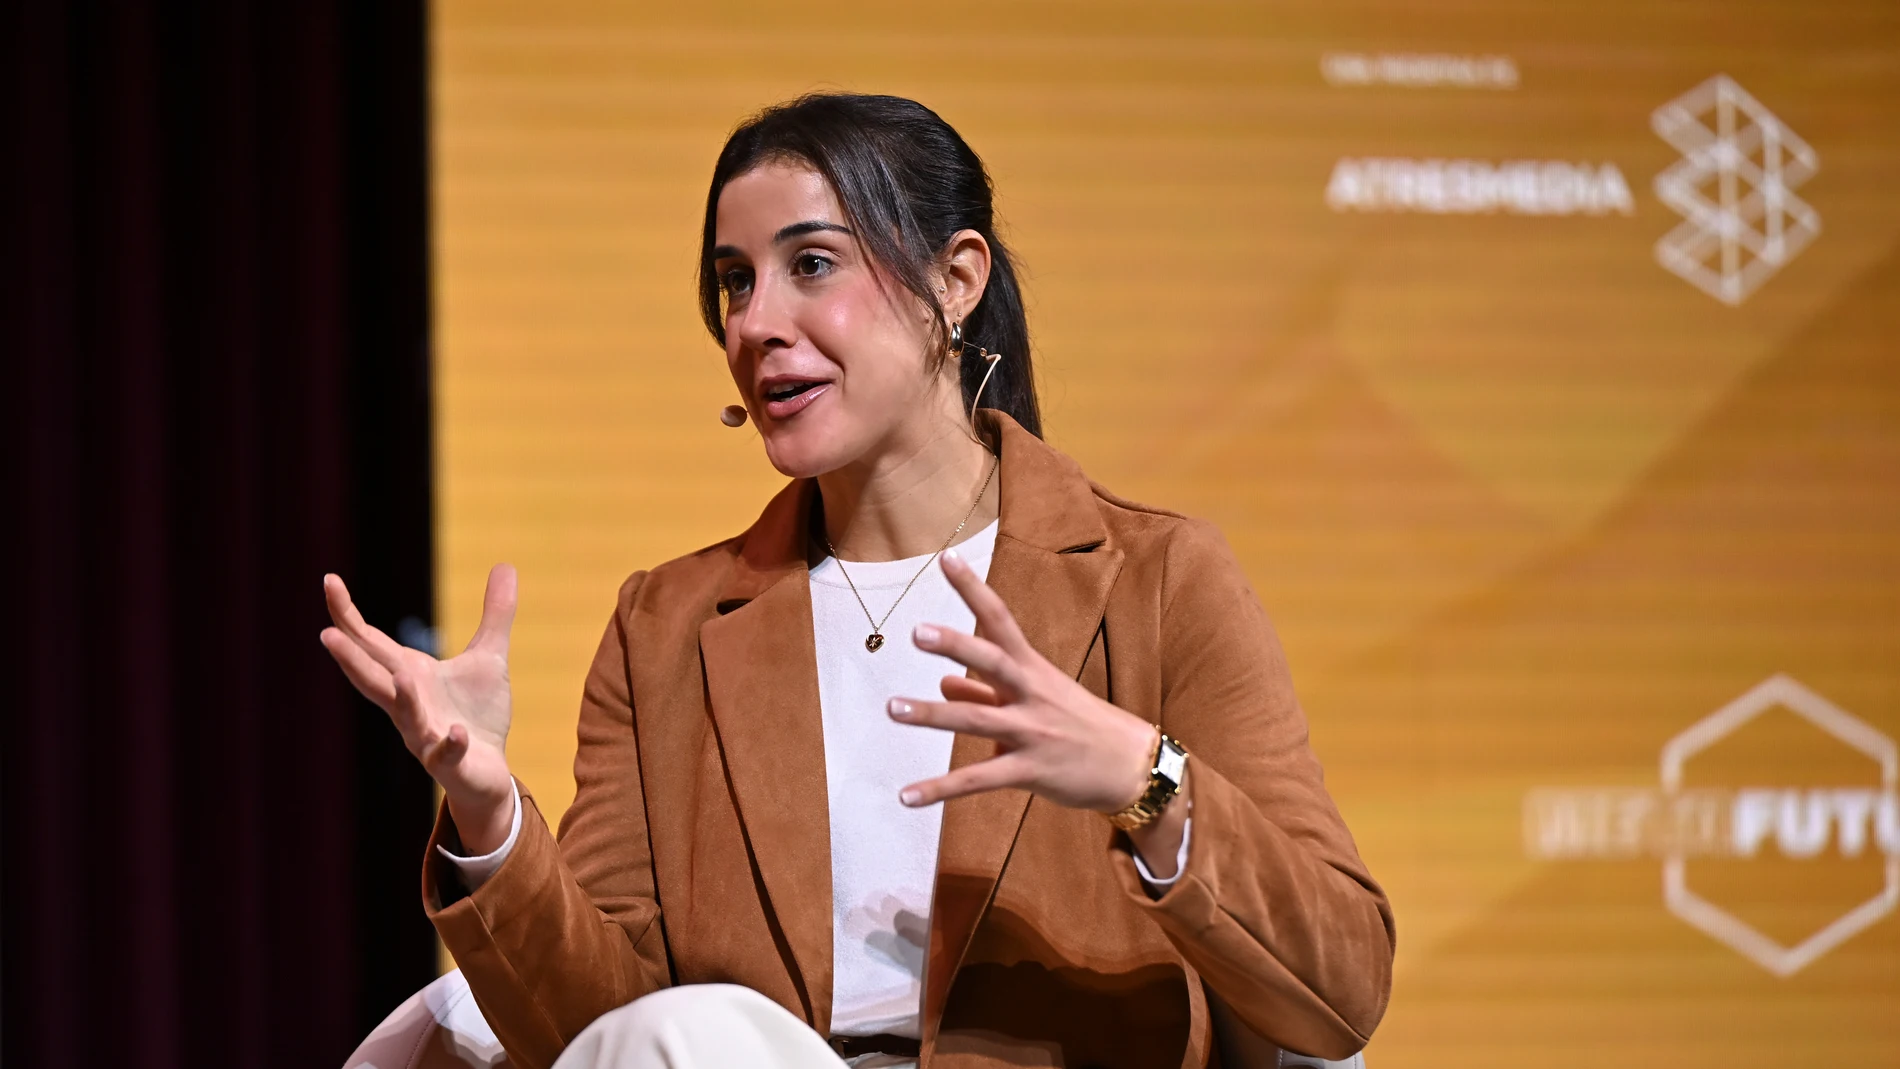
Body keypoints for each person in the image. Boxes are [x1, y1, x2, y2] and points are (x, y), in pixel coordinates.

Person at [321, 93, 1393, 1069]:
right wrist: (490, 811)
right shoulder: (670, 625)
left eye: (812, 264)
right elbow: (594, 1035)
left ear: (955, 280)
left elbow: (1340, 987)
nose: (754, 322)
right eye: (735, 281)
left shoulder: (1155, 579)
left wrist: (1140, 775)